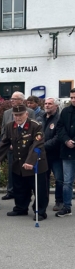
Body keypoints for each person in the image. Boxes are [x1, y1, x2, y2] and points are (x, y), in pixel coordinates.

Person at [0, 105, 49, 220]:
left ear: (26, 114)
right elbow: (4, 143)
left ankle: (40, 211)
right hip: (18, 162)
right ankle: (21, 208)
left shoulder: (35, 126)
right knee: (20, 188)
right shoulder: (10, 126)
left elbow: (37, 145)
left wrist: (30, 162)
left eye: (20, 115)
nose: (18, 117)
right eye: (16, 115)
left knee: (39, 189)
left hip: (35, 163)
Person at [1, 91, 36, 200]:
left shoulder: (30, 112)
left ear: (21, 100)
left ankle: (27, 193)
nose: (12, 101)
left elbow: (33, 130)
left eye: (14, 99)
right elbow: (3, 130)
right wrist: (8, 144)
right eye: (11, 99)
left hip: (25, 148)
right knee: (12, 170)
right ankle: (11, 191)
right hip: (11, 148)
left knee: (26, 172)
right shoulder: (7, 113)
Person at [56, 88, 75, 217]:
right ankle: (67, 207)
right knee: (67, 182)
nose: (73, 100)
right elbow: (60, 128)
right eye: (71, 97)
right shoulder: (65, 111)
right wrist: (66, 140)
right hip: (67, 151)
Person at [42, 97, 63, 211]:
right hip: (43, 155)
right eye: (45, 103)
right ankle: (43, 202)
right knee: (44, 180)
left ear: (56, 106)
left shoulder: (59, 119)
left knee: (59, 179)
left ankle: (59, 201)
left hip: (56, 155)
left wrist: (43, 146)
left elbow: (58, 137)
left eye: (50, 103)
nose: (47, 105)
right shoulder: (40, 118)